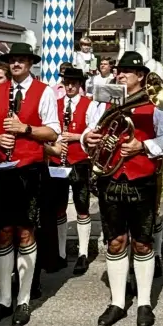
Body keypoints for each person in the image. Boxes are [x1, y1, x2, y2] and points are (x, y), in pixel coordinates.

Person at [85, 52, 163, 326]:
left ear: (140, 76)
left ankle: (144, 303)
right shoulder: (105, 101)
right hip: (110, 178)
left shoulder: (156, 103)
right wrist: (89, 137)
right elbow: (90, 130)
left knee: (142, 243)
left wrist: (142, 146)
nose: (120, 74)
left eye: (127, 71)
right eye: (119, 70)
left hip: (141, 178)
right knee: (115, 241)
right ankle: (117, 302)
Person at [0, 41, 61, 326]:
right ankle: (5, 299)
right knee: (3, 233)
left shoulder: (44, 91)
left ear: (30, 64)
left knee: (26, 232)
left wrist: (25, 129)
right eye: (13, 60)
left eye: (21, 60)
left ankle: (23, 299)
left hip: (30, 171)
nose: (16, 64)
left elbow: (53, 132)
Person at [55, 65, 103, 274]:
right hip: (57, 161)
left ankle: (83, 253)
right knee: (58, 207)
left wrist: (75, 136)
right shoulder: (55, 103)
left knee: (82, 205)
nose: (69, 87)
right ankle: (60, 253)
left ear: (80, 85)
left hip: (80, 160)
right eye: (66, 83)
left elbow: (93, 129)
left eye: (73, 83)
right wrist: (58, 139)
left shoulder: (88, 104)